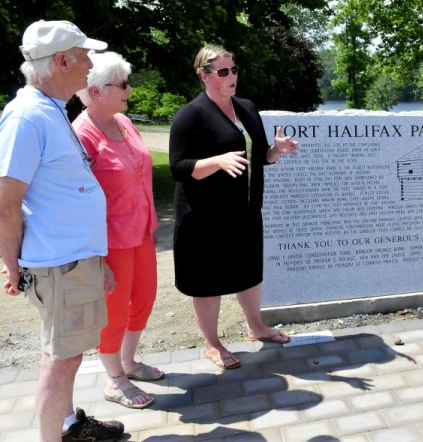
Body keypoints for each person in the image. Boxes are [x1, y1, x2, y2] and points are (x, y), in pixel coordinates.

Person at [0, 20, 124, 441]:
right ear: (62, 60)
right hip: (59, 265)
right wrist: (13, 266)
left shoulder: (49, 110)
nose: (90, 64)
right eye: (84, 55)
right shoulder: (27, 117)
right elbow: (5, 204)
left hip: (73, 261)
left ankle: (68, 426)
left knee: (63, 355)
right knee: (62, 360)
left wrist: (97, 260)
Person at [169, 45, 299, 370]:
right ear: (204, 76)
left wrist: (275, 151)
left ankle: (257, 328)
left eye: (234, 69)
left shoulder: (246, 108)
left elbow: (258, 158)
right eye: (223, 72)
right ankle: (211, 344)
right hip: (204, 217)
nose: (232, 77)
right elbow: (178, 167)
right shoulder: (191, 115)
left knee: (249, 273)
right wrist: (217, 160)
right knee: (208, 281)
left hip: (245, 211)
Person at [73, 52, 162, 409]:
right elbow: (78, 198)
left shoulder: (124, 122)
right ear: (96, 91)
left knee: (144, 299)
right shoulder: (82, 134)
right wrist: (97, 256)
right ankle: (114, 379)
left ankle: (128, 362)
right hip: (110, 242)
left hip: (141, 233)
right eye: (122, 84)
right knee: (114, 310)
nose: (129, 89)